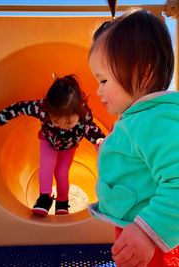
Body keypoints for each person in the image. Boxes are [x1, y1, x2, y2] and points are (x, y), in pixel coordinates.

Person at [88, 8, 179, 267]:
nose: (98, 90)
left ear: (144, 72)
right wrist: (110, 152)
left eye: (104, 80)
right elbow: (142, 162)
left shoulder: (157, 120)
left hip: (156, 235)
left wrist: (148, 233)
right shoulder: (139, 117)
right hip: (138, 228)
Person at [0, 74, 105, 216]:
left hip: (69, 147)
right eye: (56, 122)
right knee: (46, 165)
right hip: (48, 141)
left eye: (69, 123)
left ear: (79, 111)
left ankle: (62, 202)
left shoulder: (84, 117)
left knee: (61, 173)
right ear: (48, 110)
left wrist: (101, 142)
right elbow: (20, 107)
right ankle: (45, 197)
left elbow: (93, 131)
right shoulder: (42, 109)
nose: (63, 127)